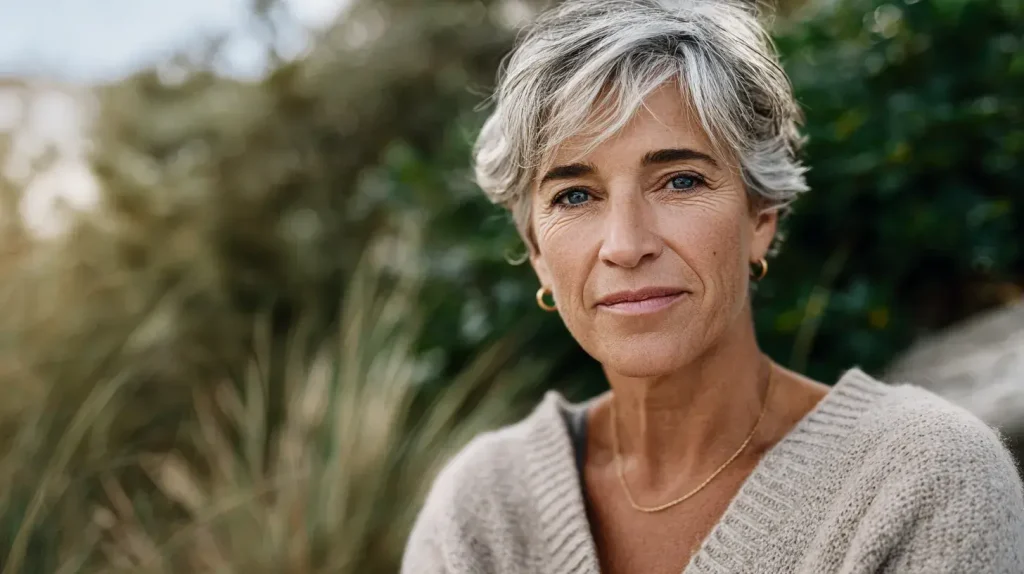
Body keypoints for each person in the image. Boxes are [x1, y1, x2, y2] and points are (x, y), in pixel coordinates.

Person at [401, 0, 1024, 572]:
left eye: (680, 181)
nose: (626, 244)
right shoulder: (480, 509)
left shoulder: (925, 477)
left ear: (761, 218)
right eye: (575, 195)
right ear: (537, 252)